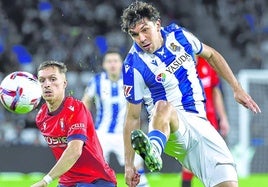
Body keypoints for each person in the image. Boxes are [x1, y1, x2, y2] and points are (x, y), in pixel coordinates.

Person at [120, 1, 261, 187]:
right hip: (170, 129)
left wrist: (237, 89)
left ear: (158, 24)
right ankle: (153, 150)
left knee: (228, 184)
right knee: (163, 106)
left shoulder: (179, 35)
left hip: (201, 124)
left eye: (145, 30)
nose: (141, 38)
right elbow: (132, 117)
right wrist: (129, 165)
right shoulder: (133, 65)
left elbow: (211, 55)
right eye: (135, 34)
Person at [31, 61, 117, 187]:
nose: (47, 84)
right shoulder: (41, 117)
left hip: (96, 180)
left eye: (53, 79)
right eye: (42, 80)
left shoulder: (76, 108)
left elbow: (75, 150)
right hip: (67, 182)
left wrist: (46, 180)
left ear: (64, 83)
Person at [82, 49, 150, 187]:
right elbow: (86, 101)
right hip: (101, 134)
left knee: (137, 171)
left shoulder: (130, 79)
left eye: (115, 61)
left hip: (125, 133)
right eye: (109, 61)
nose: (112, 64)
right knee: (95, 173)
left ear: (121, 63)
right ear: (104, 65)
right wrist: (83, 123)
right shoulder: (96, 81)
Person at [181, 56, 230, 187]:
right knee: (190, 160)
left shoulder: (207, 65)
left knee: (214, 159)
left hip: (210, 121)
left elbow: (216, 92)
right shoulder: (180, 69)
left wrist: (223, 118)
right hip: (190, 120)